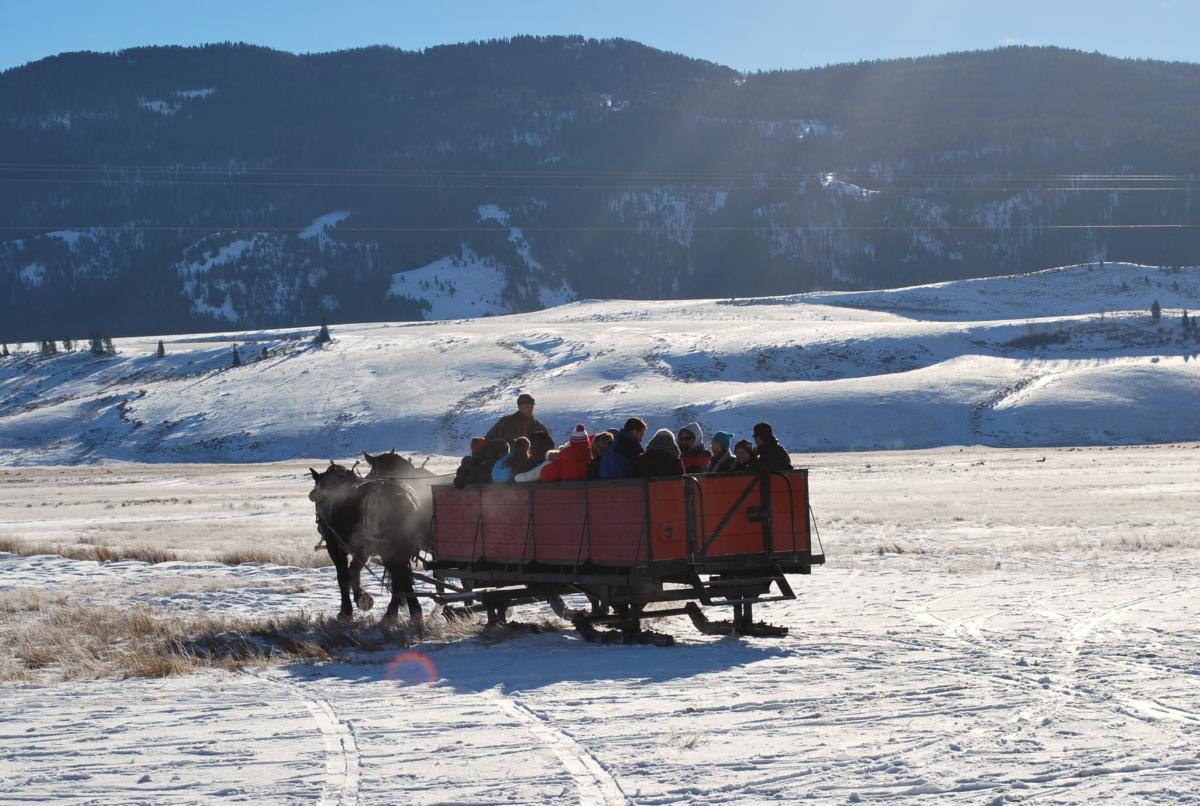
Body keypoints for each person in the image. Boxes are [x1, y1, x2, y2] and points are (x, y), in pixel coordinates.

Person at [484, 393, 549, 444]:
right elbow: (488, 439)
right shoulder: (506, 422)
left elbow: (547, 444)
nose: (530, 409)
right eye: (527, 407)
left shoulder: (538, 426)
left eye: (531, 406)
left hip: (532, 460)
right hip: (508, 459)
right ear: (519, 407)